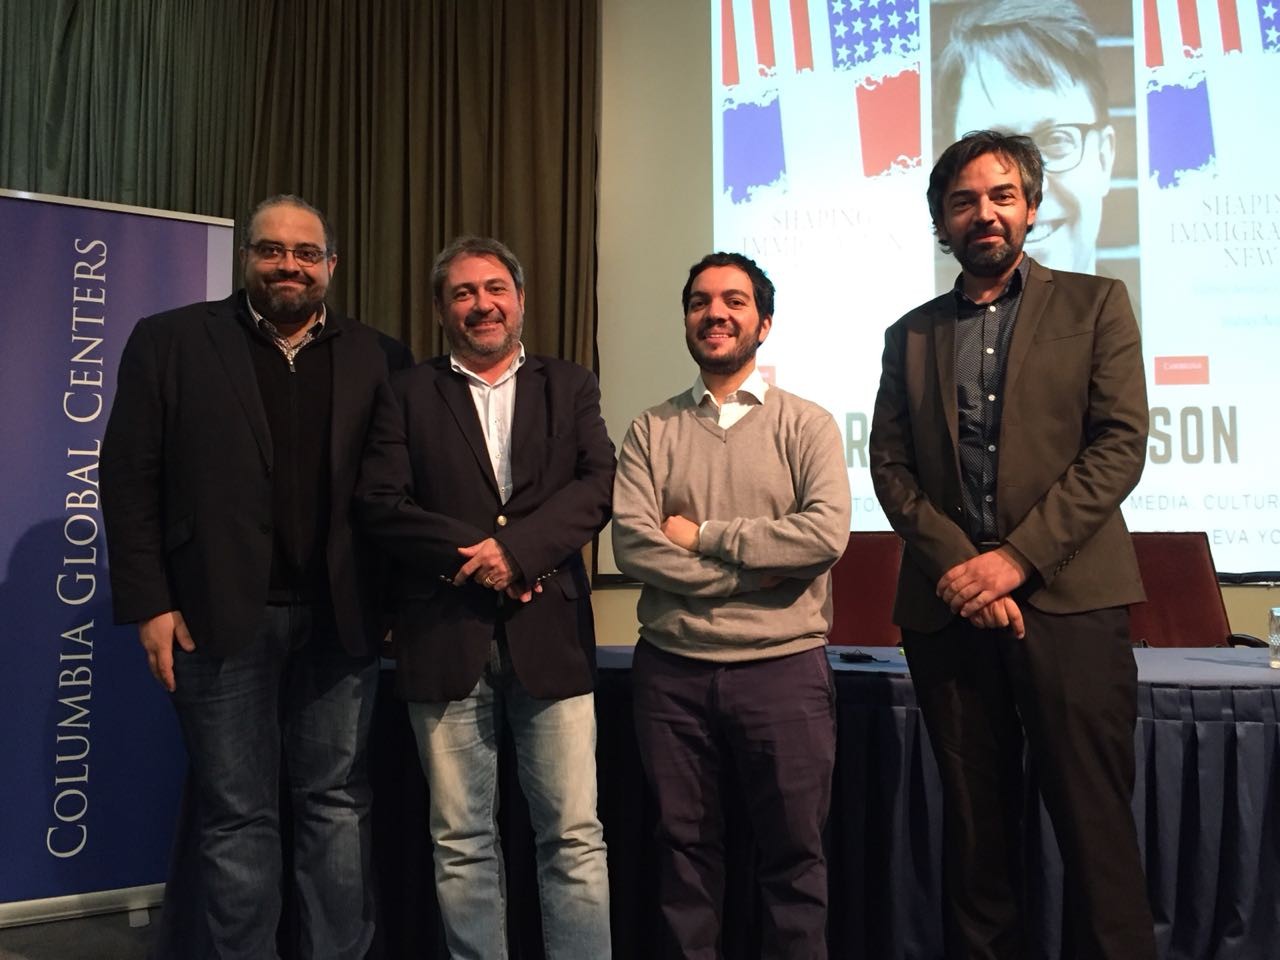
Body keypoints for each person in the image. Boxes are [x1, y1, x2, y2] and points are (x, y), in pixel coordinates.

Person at [869, 131, 1155, 959]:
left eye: (1000, 196)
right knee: (976, 847)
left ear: (1031, 207)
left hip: (1072, 608)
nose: (983, 213)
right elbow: (891, 467)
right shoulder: (909, 335)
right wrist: (965, 567)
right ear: (941, 222)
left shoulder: (1096, 305)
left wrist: (1015, 560)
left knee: (1099, 845)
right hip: (949, 614)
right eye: (962, 201)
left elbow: (1118, 448)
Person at [101, 194, 410, 958]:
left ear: (332, 266)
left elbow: (400, 494)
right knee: (237, 817)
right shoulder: (170, 341)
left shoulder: (381, 356)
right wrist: (150, 604)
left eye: (307, 253)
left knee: (335, 806)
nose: (288, 265)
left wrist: (399, 600)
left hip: (343, 620)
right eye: (272, 250)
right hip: (214, 617)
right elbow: (129, 478)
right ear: (248, 258)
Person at [354, 236, 614, 959]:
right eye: (463, 292)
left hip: (550, 639)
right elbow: (381, 502)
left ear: (521, 299)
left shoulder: (571, 384)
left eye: (494, 288)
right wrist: (479, 560)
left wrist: (519, 552)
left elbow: (598, 484)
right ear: (441, 308)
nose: (481, 304)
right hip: (441, 636)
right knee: (461, 841)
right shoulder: (405, 392)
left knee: (572, 837)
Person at [611, 252, 851, 960]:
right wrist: (753, 577)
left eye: (734, 301)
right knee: (683, 857)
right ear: (686, 319)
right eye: (700, 301)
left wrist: (709, 538)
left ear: (763, 323)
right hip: (673, 678)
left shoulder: (807, 425)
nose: (715, 313)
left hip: (785, 675)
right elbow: (635, 548)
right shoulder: (649, 431)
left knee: (795, 860)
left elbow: (822, 536)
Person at [935, 0, 1116, 274]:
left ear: (1104, 158)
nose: (1031, 190)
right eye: (989, 152)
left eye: (1057, 141)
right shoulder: (917, 319)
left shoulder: (1131, 316)